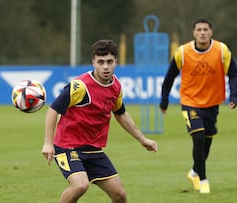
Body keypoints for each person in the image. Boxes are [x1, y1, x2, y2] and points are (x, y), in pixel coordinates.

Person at [41, 39, 158, 203]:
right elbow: (53, 110)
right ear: (93, 63)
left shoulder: (116, 86)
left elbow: (121, 113)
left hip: (93, 150)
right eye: (101, 62)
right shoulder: (79, 86)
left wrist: (142, 139)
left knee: (120, 195)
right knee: (80, 186)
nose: (105, 67)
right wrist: (48, 142)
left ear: (116, 62)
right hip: (68, 147)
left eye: (109, 62)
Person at [159, 18, 237, 194]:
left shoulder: (221, 50)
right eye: (199, 29)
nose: (202, 32)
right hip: (190, 102)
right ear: (193, 33)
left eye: (205, 29)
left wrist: (234, 94)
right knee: (199, 137)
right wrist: (164, 100)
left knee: (207, 143)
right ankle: (203, 180)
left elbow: (233, 73)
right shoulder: (183, 52)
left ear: (211, 32)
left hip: (212, 103)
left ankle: (195, 171)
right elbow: (169, 77)